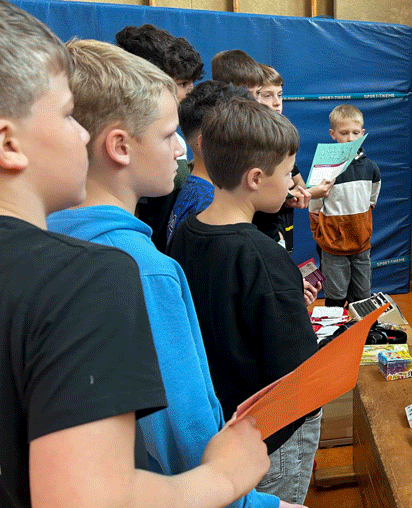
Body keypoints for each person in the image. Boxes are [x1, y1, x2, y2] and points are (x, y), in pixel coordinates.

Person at [0, 2, 267, 507]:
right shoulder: (104, 274)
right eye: (65, 116)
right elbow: (178, 441)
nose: (81, 134)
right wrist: (234, 484)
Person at [46, 39, 295, 508]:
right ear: (120, 146)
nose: (181, 148)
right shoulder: (145, 271)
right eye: (167, 135)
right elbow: (186, 436)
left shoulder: (45, 239)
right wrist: (254, 502)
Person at [167, 98, 322, 505]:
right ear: (255, 178)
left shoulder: (185, 233)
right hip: (269, 438)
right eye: (288, 174)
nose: (292, 184)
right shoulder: (264, 259)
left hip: (220, 426)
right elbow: (300, 379)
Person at [116, 23, 204, 252]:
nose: (190, 92)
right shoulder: (135, 146)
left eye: (192, 83)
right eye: (182, 84)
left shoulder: (177, 139)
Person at [310, 104, 381, 307]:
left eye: (355, 133)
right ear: (333, 134)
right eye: (344, 133)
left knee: (363, 296)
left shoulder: (371, 169)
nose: (350, 138)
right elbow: (314, 206)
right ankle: (335, 336)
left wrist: (362, 225)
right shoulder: (325, 169)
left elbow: (371, 200)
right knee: (336, 296)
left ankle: (363, 335)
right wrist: (322, 233)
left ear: (362, 133)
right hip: (333, 245)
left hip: (361, 243)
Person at [167, 80, 252, 244]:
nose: (249, 141)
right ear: (206, 142)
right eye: (239, 132)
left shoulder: (198, 190)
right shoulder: (210, 205)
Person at [251, 63, 316, 254]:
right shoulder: (247, 141)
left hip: (280, 226)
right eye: (267, 95)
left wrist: (290, 198)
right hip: (259, 232)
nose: (277, 102)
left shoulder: (281, 137)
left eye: (279, 95)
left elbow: (298, 184)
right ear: (252, 97)